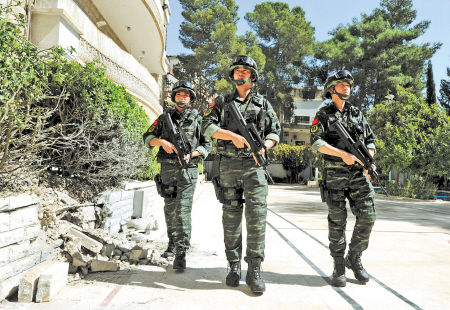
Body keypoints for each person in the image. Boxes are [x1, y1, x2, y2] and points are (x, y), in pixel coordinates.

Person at [202, 55, 281, 293]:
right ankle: (233, 265)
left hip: (255, 167)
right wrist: (233, 136)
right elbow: (207, 127)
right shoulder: (221, 102)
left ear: (253, 76)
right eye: (237, 70)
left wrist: (263, 146)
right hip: (228, 167)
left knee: (256, 218)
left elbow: (275, 132)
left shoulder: (263, 104)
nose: (240, 73)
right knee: (231, 218)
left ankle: (254, 269)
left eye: (245, 70)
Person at [310, 70, 377, 287]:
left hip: (358, 174)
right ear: (332, 89)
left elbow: (370, 140)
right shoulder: (323, 114)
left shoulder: (357, 113)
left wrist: (369, 158)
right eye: (342, 84)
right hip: (335, 175)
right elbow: (316, 143)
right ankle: (338, 265)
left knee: (368, 216)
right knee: (337, 222)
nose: (346, 86)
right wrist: (343, 155)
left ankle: (354, 257)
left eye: (348, 84)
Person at [143, 81, 211, 270]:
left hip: (188, 171)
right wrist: (161, 142)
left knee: (182, 211)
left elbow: (207, 145)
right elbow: (147, 137)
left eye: (186, 95)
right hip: (168, 170)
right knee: (170, 209)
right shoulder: (164, 118)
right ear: (174, 97)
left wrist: (194, 154)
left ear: (191, 98)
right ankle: (172, 244)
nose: (182, 98)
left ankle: (181, 252)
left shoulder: (198, 119)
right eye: (179, 95)